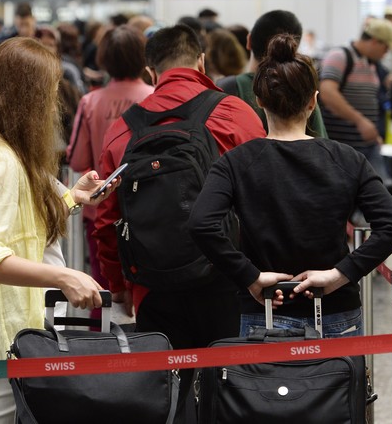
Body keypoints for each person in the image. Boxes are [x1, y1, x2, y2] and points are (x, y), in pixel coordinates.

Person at [93, 24, 265, 423]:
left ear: (151, 72)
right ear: (201, 61)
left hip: (154, 285)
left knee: (167, 395)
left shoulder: (122, 129)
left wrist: (119, 287)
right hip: (227, 279)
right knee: (228, 388)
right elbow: (260, 199)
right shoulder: (234, 113)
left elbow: (106, 219)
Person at [0, 37, 116, 423]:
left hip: (10, 334)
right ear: (27, 97)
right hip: (3, 338)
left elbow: (16, 227)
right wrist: (64, 275)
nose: (53, 106)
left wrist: (71, 200)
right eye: (49, 94)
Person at [188, 33, 392, 336]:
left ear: (259, 101)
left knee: (262, 385)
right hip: (335, 307)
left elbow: (202, 224)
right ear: (313, 101)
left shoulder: (236, 162)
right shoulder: (347, 158)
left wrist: (250, 276)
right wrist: (341, 274)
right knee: (339, 383)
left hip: (266, 307)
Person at [66, 25, 153, 290]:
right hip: (149, 208)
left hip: (101, 209)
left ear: (103, 58)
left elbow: (78, 159)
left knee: (102, 291)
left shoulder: (91, 102)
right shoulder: (155, 97)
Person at [218, 10, 327, 138]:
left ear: (249, 41)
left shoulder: (226, 87)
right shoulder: (301, 87)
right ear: (292, 47)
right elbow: (320, 142)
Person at [318, 19, 392, 186]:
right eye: (386, 48)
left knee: (378, 200)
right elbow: (327, 92)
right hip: (341, 151)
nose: (386, 53)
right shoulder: (340, 57)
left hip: (367, 148)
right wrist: (360, 121)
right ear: (375, 41)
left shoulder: (371, 64)